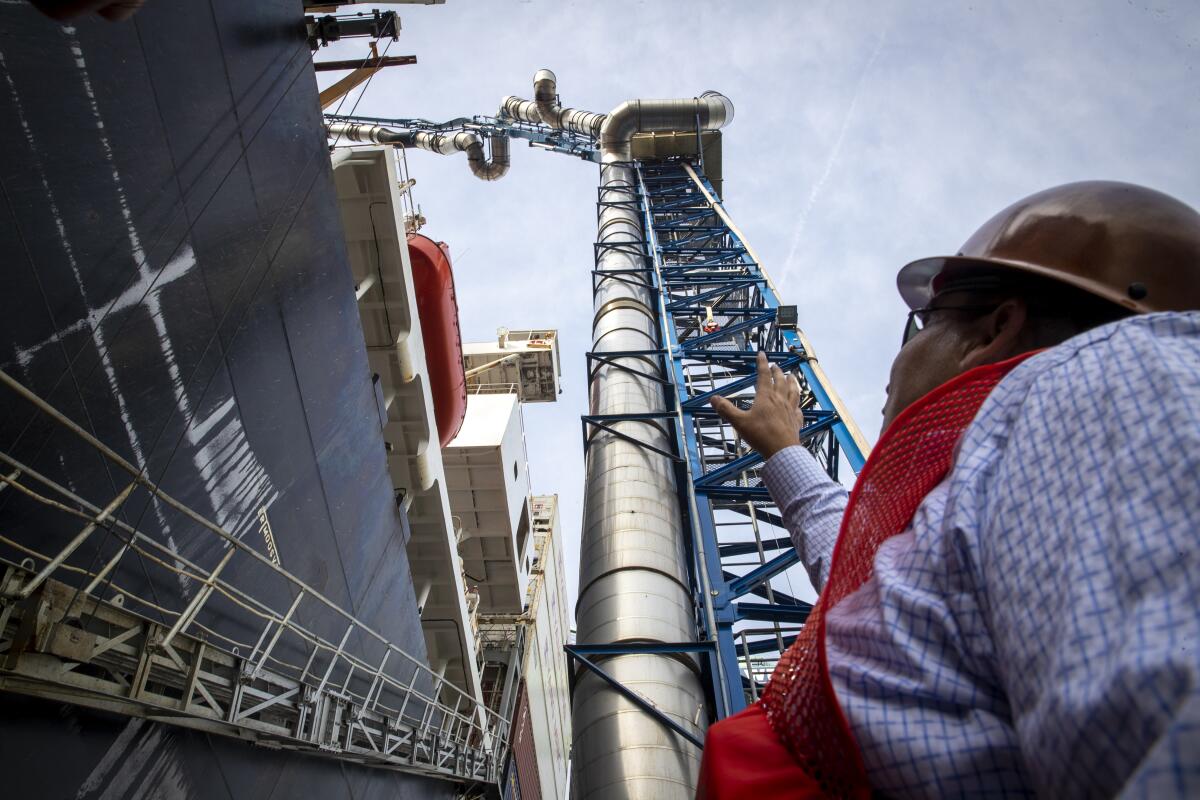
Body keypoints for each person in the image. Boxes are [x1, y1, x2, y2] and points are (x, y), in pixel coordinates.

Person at [699, 180, 1200, 799]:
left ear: (994, 331)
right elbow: (870, 585)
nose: (895, 366)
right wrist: (786, 452)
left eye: (919, 328)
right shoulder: (1013, 474)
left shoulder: (1106, 380)